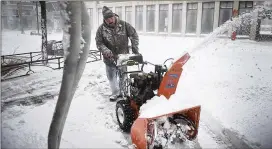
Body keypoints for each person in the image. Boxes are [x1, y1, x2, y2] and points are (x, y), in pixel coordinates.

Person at [95, 6, 140, 101]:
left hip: (123, 57)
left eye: (111, 18)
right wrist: (105, 50)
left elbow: (134, 35)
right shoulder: (101, 29)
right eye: (107, 19)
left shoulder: (124, 25)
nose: (110, 20)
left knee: (123, 75)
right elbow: (99, 42)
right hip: (109, 58)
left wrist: (134, 48)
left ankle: (123, 91)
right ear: (104, 19)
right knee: (111, 76)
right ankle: (115, 92)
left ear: (114, 16)